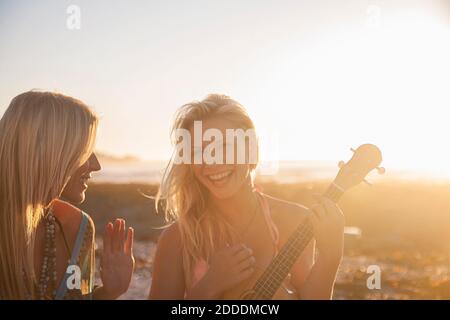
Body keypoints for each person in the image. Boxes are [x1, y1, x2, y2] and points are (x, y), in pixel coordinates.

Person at [149, 94, 345, 299]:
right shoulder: (178, 239)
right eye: (199, 151)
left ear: (252, 149)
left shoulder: (293, 220)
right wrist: (209, 286)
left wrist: (331, 257)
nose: (212, 162)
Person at [0, 91, 134, 300]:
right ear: (50, 153)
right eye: (85, 151)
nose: (96, 165)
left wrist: (109, 292)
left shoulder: (79, 229)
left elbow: (81, 297)